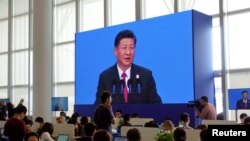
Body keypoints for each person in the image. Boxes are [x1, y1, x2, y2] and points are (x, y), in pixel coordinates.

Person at [94, 29, 162, 104]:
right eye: (124, 47)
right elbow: (98, 107)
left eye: (131, 48)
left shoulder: (146, 76)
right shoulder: (105, 77)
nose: (128, 52)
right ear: (115, 51)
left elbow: (157, 106)